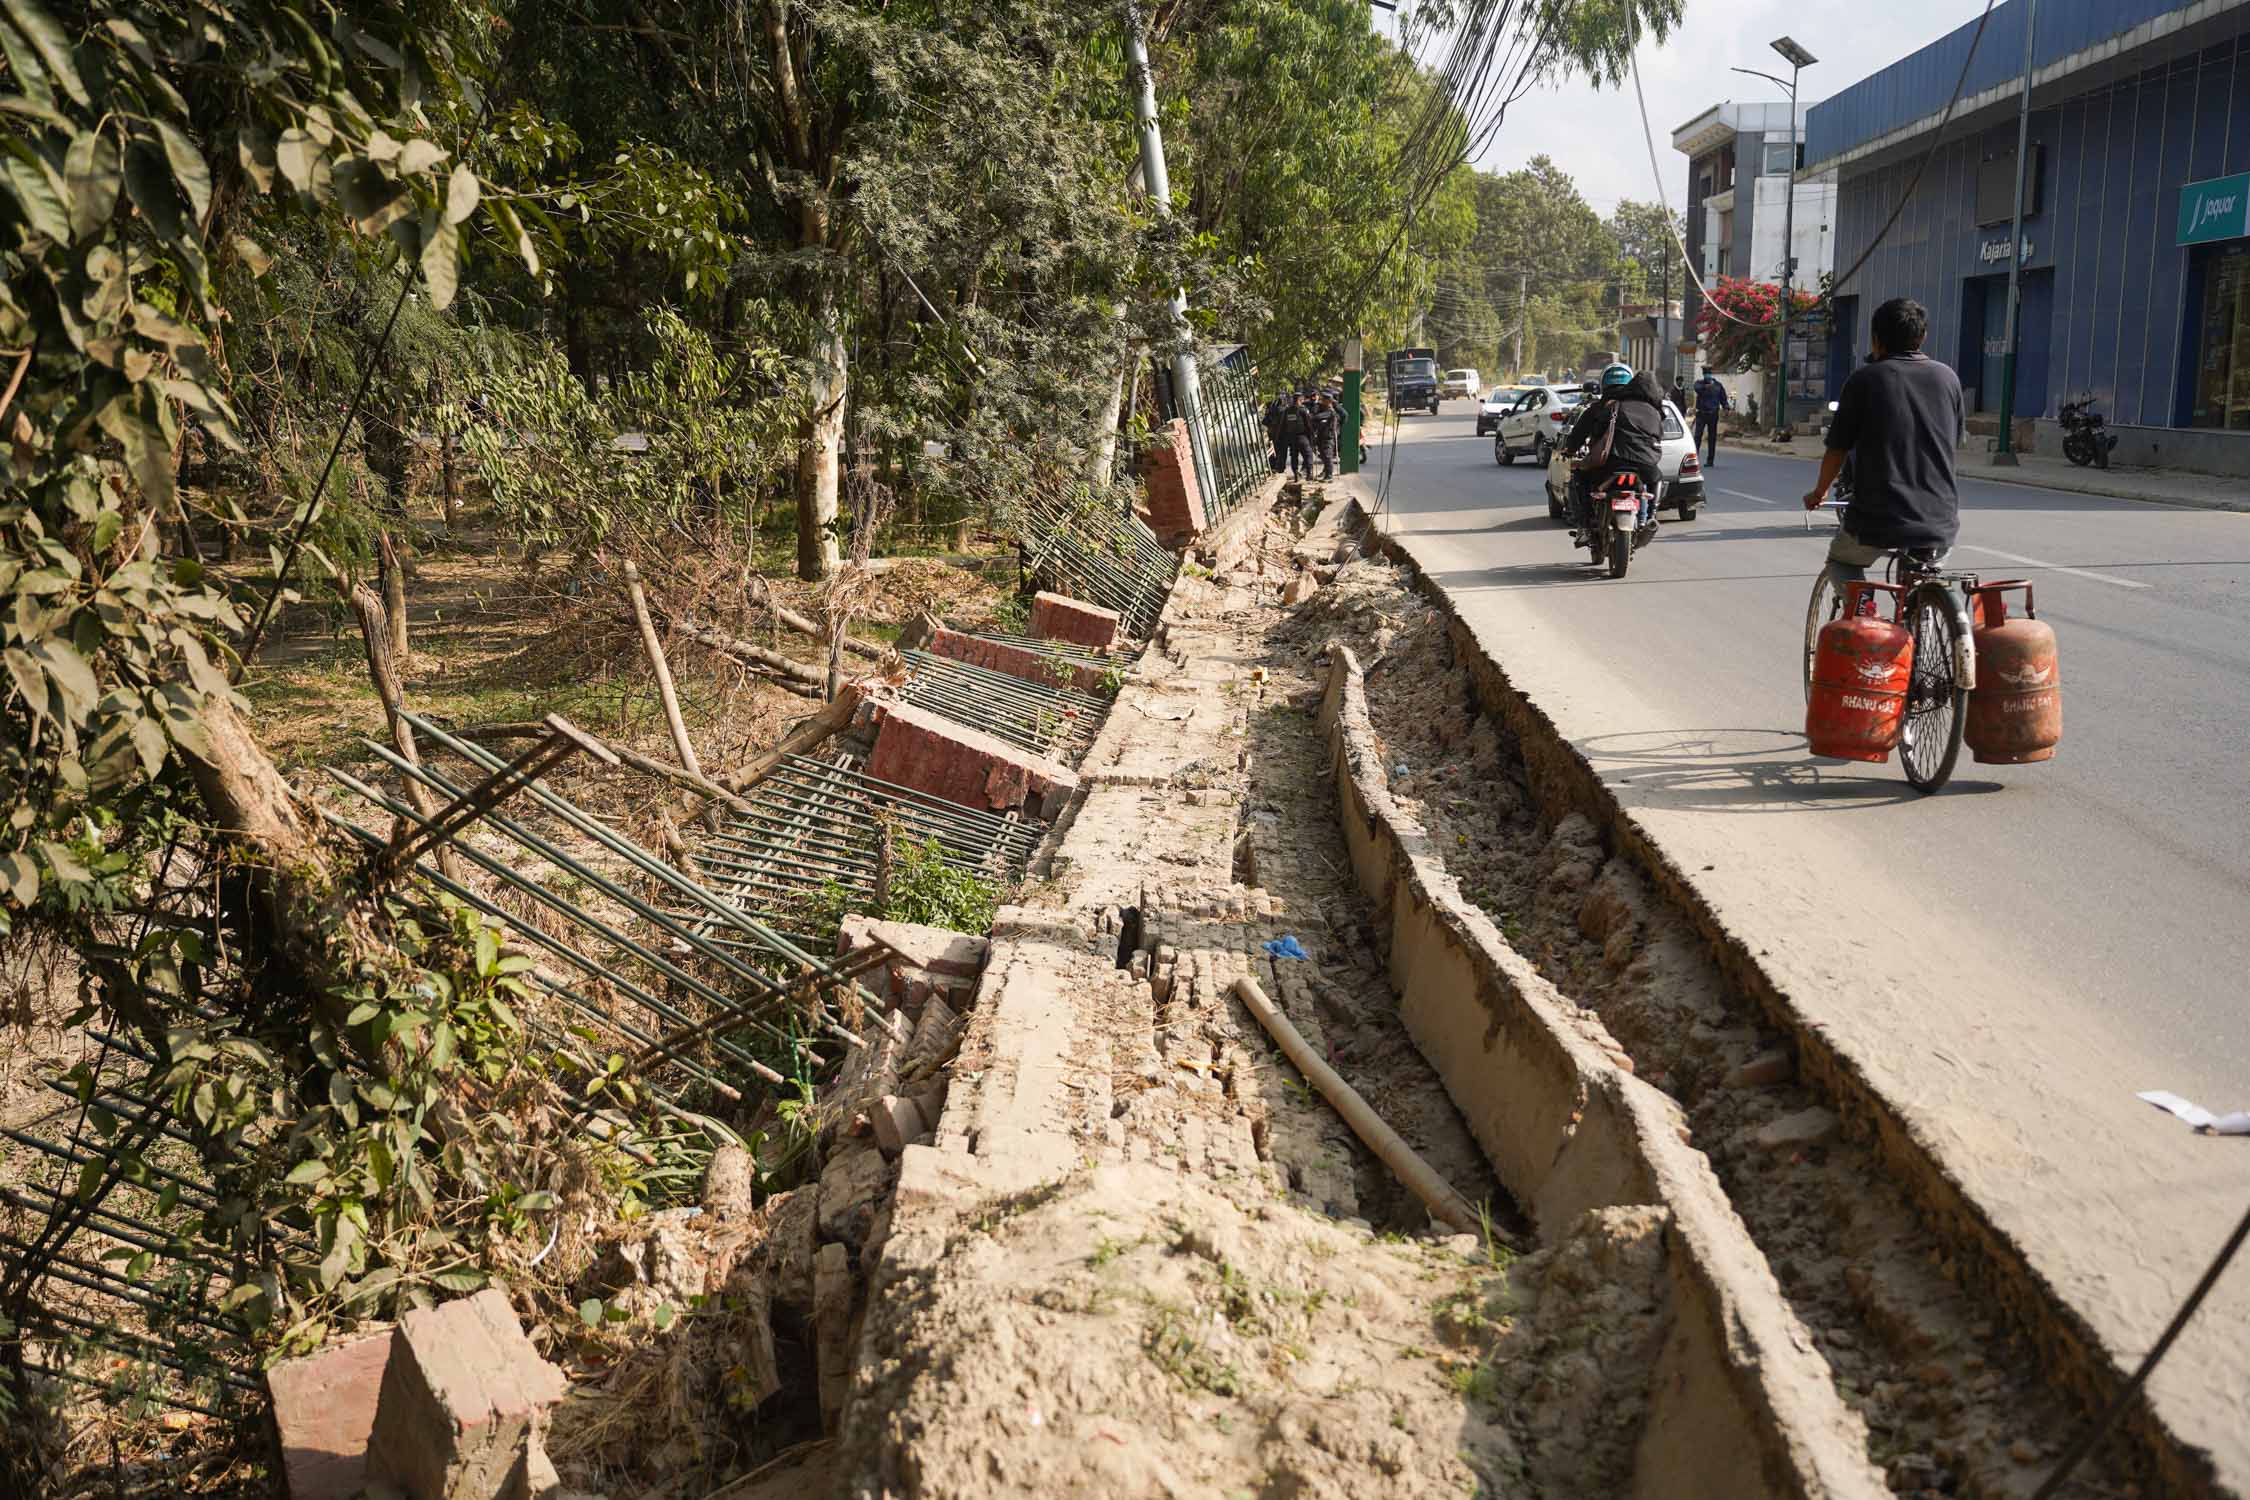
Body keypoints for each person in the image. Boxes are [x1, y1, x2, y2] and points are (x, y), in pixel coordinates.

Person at [1801, 297, 1963, 584]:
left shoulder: (1864, 380)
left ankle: (1864, 611)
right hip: (1940, 521)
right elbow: (1954, 442)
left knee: (1841, 561)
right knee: (1919, 582)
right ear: (1922, 336)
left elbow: (1837, 450)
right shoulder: (1948, 378)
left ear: (1876, 340)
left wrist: (1819, 493)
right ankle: (1926, 615)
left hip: (1876, 519)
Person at [1561, 363, 1664, 535]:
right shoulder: (1654, 411)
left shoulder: (1608, 408)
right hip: (1645, 465)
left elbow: (1585, 433)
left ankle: (1586, 524)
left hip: (1611, 463)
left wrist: (1570, 450)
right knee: (1654, 479)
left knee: (1579, 476)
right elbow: (1659, 437)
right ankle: (1650, 517)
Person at [1691, 367, 1730, 466]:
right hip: (1701, 414)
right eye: (1705, 374)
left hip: (1713, 414)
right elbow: (1696, 388)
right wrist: (1706, 387)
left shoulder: (1718, 386)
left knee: (1712, 438)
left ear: (1711, 374)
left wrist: (1726, 407)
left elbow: (1723, 399)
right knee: (1697, 437)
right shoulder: (1699, 383)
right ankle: (1694, 460)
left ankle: (1710, 461)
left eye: (1708, 373)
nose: (1706, 375)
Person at [1277, 392, 1316, 480]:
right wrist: (1312, 438)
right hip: (1302, 437)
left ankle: (1296, 474)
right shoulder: (1302, 410)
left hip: (1291, 438)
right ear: (1300, 400)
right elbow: (1308, 425)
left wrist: (1281, 438)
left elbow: (1282, 426)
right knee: (1308, 454)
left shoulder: (1287, 411)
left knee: (1294, 456)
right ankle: (1309, 474)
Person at [1311, 393, 1340, 480]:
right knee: (1323, 455)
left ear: (1328, 401)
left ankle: (1329, 475)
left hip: (1328, 437)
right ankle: (1326, 473)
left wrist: (1315, 417)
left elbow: (1317, 417)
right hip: (1321, 436)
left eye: (1323, 400)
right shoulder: (1322, 410)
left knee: (1327, 456)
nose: (1322, 401)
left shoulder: (1330, 411)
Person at [1262, 390, 1290, 473]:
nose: (1280, 398)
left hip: (1282, 433)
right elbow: (1266, 420)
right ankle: (1274, 466)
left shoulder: (1285, 408)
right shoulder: (1272, 406)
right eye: (1279, 395)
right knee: (1274, 449)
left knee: (1282, 450)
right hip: (1273, 432)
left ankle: (1280, 467)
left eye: (1282, 396)